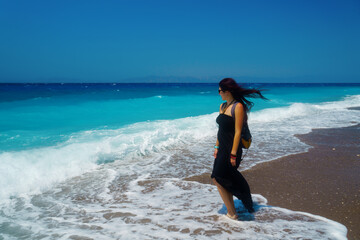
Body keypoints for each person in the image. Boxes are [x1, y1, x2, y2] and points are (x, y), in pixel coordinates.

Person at [212, 78, 267, 220]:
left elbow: (237, 132)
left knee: (217, 178)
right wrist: (216, 146)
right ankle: (233, 210)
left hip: (232, 149)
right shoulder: (223, 106)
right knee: (223, 179)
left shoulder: (238, 107)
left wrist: (233, 153)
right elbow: (220, 130)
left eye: (220, 91)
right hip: (222, 148)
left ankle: (232, 213)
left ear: (227, 91)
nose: (218, 93)